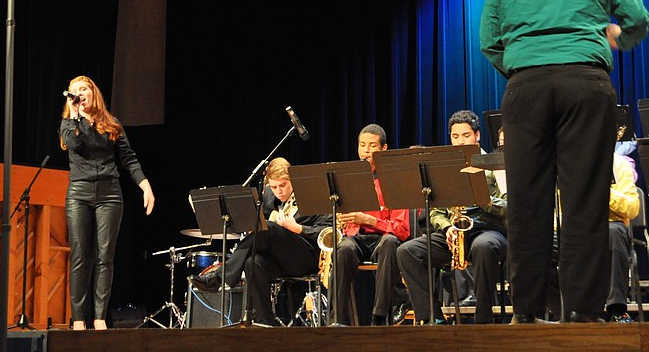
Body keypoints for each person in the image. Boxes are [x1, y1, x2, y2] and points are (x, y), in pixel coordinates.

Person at [479, 0, 649, 323]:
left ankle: (526, 314)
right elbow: (639, 17)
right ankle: (582, 314)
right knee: (584, 203)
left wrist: (523, 69)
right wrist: (617, 37)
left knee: (527, 204)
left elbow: (488, 40)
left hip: (526, 89)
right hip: (585, 83)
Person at [59, 75, 155, 330]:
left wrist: (145, 185)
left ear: (93, 93)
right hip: (79, 193)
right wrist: (76, 114)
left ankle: (100, 317)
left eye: (83, 89)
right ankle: (79, 319)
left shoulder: (112, 124)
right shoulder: (69, 124)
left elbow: (129, 159)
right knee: (80, 255)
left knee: (105, 256)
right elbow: (75, 144)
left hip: (110, 194)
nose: (79, 93)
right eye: (74, 91)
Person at [187, 157, 332, 326]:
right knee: (252, 262)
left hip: (307, 256)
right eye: (274, 186)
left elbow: (328, 231)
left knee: (268, 228)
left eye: (283, 185)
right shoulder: (269, 195)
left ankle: (221, 276)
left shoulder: (312, 193)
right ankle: (266, 322)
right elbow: (258, 224)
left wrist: (298, 228)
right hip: (279, 257)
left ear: (292, 180)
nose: (279, 191)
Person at [396, 110, 507, 325]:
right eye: (455, 137)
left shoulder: (494, 163)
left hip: (489, 230)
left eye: (466, 135)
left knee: (483, 247)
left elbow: (510, 206)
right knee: (407, 252)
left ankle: (483, 321)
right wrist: (447, 227)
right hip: (455, 232)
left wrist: (485, 201)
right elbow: (436, 212)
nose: (460, 141)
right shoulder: (446, 167)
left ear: (477, 135)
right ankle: (432, 319)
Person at [329, 124, 410, 326]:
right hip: (355, 238)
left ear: (384, 149)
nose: (366, 151)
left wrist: (369, 220)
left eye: (372, 146)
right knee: (343, 249)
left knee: (390, 243)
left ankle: (379, 316)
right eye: (362, 145)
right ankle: (336, 320)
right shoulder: (348, 178)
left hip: (383, 238)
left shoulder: (395, 179)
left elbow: (402, 229)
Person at [546, 152, 640, 323]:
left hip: (607, 224)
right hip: (571, 229)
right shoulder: (562, 163)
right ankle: (565, 314)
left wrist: (602, 191)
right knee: (538, 247)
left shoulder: (618, 164)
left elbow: (632, 208)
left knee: (614, 233)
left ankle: (616, 310)